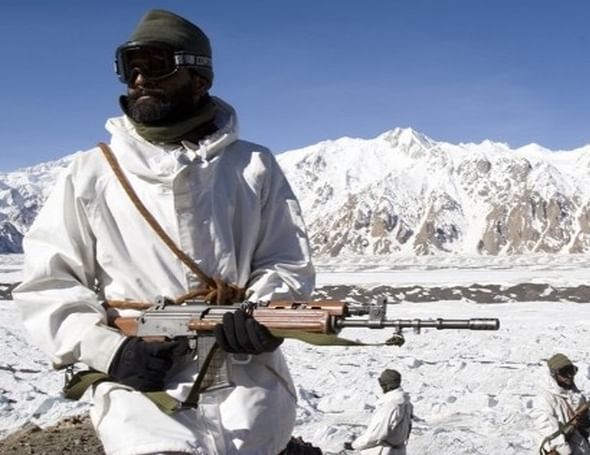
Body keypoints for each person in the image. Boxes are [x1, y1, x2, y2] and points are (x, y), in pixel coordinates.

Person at [13, 9, 315, 455]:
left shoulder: (253, 166)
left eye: (156, 66)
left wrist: (263, 316)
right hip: (142, 391)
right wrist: (110, 352)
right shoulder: (91, 172)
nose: (139, 80)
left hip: (248, 386)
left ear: (199, 78)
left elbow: (285, 259)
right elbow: (49, 283)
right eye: (130, 68)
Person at [532, 353, 590, 455]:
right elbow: (549, 433)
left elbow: (588, 432)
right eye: (564, 372)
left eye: (571, 371)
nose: (569, 376)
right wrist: (566, 452)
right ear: (554, 374)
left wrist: (585, 422)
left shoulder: (577, 396)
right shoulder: (544, 399)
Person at [343, 369, 413, 455]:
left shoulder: (390, 406)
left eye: (382, 384)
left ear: (387, 385)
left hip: (383, 451)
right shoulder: (406, 404)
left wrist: (354, 445)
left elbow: (376, 434)